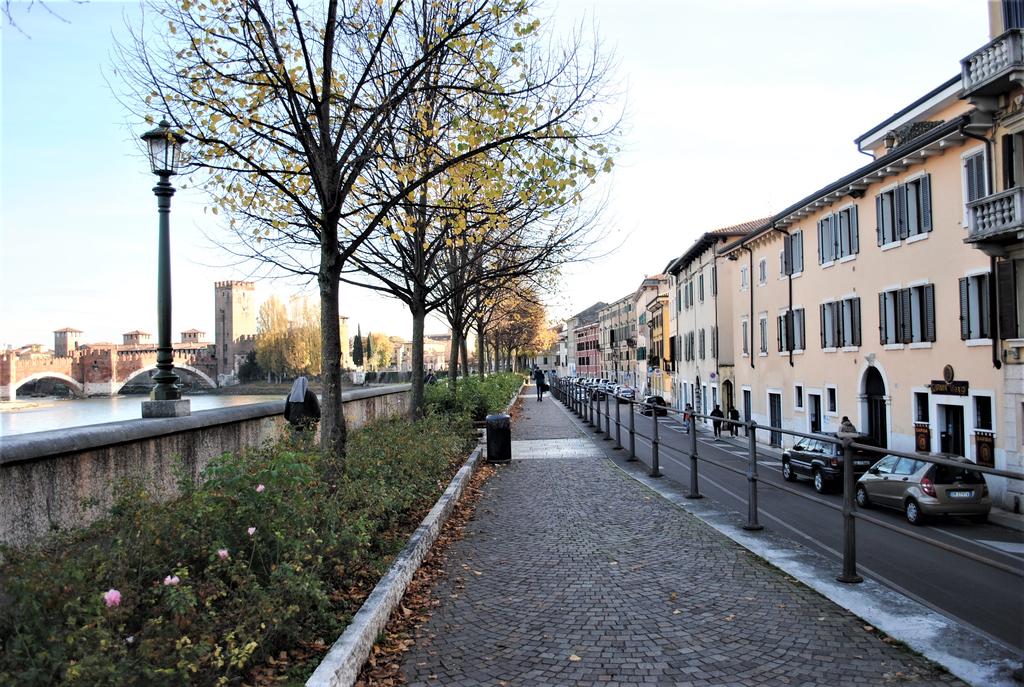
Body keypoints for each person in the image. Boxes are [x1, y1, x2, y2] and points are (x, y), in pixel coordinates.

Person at [284, 376, 321, 441]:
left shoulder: (290, 395)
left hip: (294, 425)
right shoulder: (311, 395)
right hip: (308, 426)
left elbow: (286, 412)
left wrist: (292, 420)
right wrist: (314, 421)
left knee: (295, 447)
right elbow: (317, 411)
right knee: (307, 446)